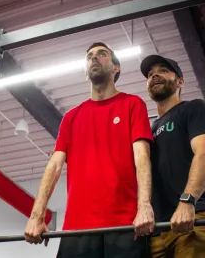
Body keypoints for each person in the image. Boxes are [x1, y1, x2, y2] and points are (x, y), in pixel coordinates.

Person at [24, 42, 155, 258]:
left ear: (116, 68)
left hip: (125, 224)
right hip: (77, 229)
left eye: (102, 54)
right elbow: (55, 165)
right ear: (86, 71)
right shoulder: (71, 117)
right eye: (90, 56)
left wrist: (144, 206)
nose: (94, 58)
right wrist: (37, 215)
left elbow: (142, 157)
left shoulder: (133, 104)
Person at [141, 55, 205, 258]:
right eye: (151, 74)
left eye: (163, 70)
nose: (155, 76)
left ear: (180, 81)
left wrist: (188, 201)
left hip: (196, 215)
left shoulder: (194, 108)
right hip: (158, 226)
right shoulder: (149, 130)